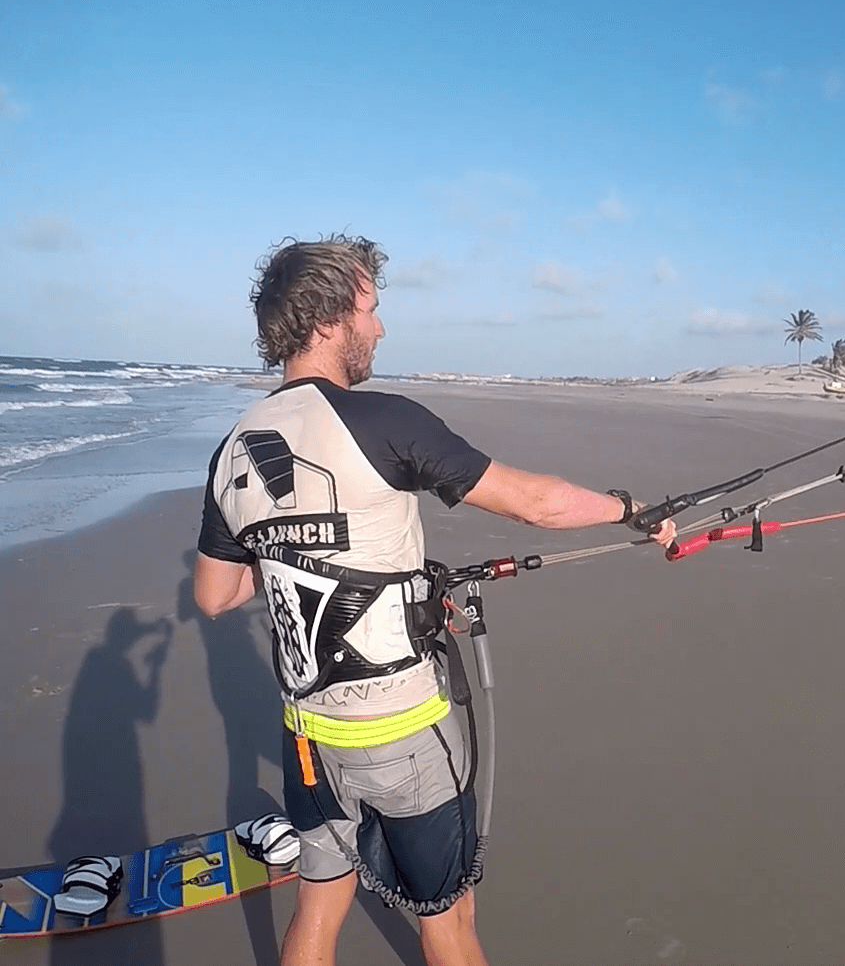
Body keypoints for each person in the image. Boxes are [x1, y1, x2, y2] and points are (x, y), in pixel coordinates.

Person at [193, 235, 675, 966]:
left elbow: (216, 593)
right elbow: (535, 504)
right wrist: (627, 505)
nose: (380, 328)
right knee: (448, 919)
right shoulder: (385, 421)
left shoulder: (234, 449)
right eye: (371, 310)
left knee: (320, 902)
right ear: (328, 320)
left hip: (307, 738)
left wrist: (296, 550)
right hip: (403, 731)